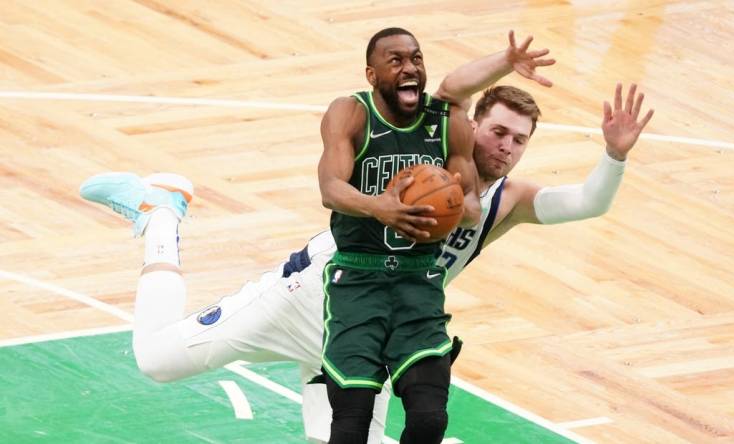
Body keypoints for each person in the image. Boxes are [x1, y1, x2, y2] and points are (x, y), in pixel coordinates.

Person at [80, 31, 653, 443]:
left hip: (380, 326)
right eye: (499, 130)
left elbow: (588, 202)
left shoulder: (511, 201)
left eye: (519, 140)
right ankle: (162, 215)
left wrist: (614, 155)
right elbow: (451, 85)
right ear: (472, 124)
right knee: (156, 359)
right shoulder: (433, 129)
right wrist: (505, 60)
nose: (507, 145)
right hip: (312, 294)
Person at [316, 27, 483, 444]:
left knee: (429, 420)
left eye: (416, 59)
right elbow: (330, 189)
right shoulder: (350, 113)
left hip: (419, 281)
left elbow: (474, 207)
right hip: (357, 281)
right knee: (350, 426)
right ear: (372, 75)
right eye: (396, 61)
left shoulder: (450, 122)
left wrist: (448, 207)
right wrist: (380, 208)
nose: (410, 68)